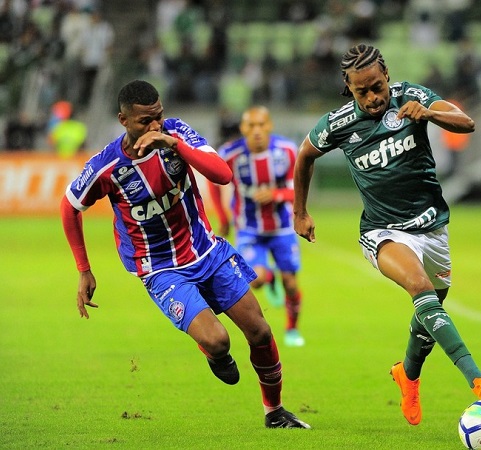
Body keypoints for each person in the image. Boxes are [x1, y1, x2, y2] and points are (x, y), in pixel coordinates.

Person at [60, 80, 310, 429]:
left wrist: (172, 143)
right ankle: (211, 350)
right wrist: (84, 269)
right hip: (161, 270)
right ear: (123, 120)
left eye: (158, 117)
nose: (154, 127)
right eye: (145, 121)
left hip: (207, 250)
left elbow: (222, 175)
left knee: (261, 333)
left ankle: (275, 412)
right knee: (219, 341)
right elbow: (70, 207)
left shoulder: (176, 133)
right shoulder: (107, 167)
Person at [293, 43, 481, 426]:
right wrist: (300, 211)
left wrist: (428, 113)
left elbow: (466, 122)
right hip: (382, 231)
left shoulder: (411, 96)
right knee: (419, 287)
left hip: (432, 228)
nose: (372, 97)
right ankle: (479, 382)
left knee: (430, 314)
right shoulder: (339, 123)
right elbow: (305, 156)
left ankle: (408, 376)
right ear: (349, 88)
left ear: (387, 76)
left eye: (377, 87)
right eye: (362, 92)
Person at [208, 106, 305, 347]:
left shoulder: (287, 151)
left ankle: (292, 329)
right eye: (251, 126)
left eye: (262, 125)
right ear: (243, 129)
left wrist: (277, 194)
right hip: (248, 228)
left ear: (270, 125)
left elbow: (299, 188)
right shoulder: (230, 154)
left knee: (291, 285)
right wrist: (223, 217)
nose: (257, 131)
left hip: (282, 227)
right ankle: (269, 277)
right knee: (256, 280)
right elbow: (213, 183)